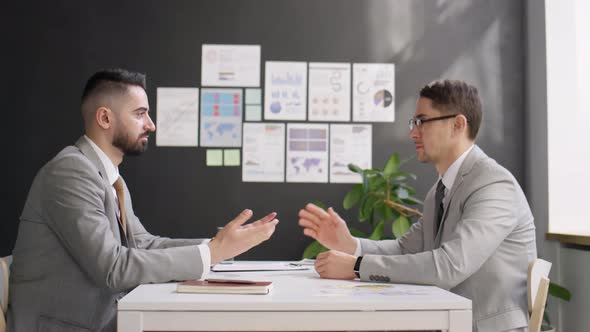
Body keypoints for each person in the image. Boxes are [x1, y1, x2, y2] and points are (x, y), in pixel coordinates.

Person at [8, 68, 279, 332]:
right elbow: (112, 267)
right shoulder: (70, 172)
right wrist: (212, 253)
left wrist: (218, 246)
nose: (151, 124)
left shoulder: (109, 177)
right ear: (104, 118)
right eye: (140, 114)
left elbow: (143, 244)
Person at [299, 79, 536, 332]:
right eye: (414, 123)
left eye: (422, 121)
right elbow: (405, 249)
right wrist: (351, 245)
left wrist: (356, 267)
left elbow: (449, 265)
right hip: (448, 322)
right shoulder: (440, 190)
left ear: (458, 124)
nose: (413, 133)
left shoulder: (493, 184)